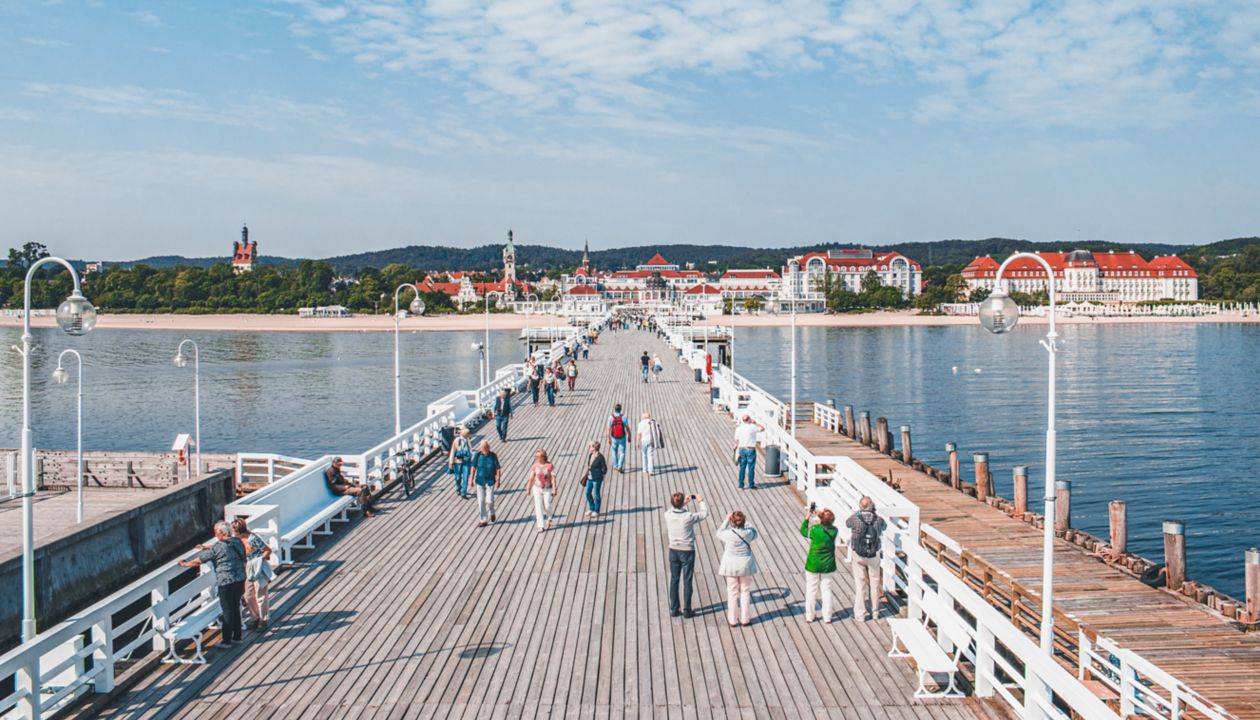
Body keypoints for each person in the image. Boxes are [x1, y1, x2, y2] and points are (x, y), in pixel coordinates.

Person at [179, 520, 247, 647]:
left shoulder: (218, 546)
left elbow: (198, 561)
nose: (215, 534)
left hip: (226, 581)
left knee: (227, 610)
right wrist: (207, 547)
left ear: (221, 533)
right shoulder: (238, 541)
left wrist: (184, 564)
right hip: (239, 579)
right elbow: (228, 549)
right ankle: (237, 637)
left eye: (216, 532)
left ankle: (226, 641)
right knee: (235, 607)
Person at [665, 492, 707, 618]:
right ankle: (687, 610)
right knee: (687, 580)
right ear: (682, 502)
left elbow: (673, 508)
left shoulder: (667, 515)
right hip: (687, 551)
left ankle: (674, 609)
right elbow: (704, 514)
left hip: (673, 550)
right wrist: (700, 501)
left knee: (674, 580)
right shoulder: (688, 516)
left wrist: (682, 503)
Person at [846, 496, 888, 621]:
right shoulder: (878, 519)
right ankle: (875, 612)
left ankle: (860, 614)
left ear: (860, 506)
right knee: (875, 584)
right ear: (872, 506)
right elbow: (884, 527)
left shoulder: (855, 518)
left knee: (860, 584)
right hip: (873, 554)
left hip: (858, 554)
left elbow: (847, 523)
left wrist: (858, 512)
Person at [716, 511, 759, 626]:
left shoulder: (727, 534)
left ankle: (732, 620)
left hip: (731, 566)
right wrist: (746, 521)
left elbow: (718, 532)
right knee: (745, 592)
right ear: (743, 521)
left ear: (732, 522)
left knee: (732, 593)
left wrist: (726, 520)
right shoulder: (748, 533)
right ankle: (745, 619)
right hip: (745, 566)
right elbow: (755, 531)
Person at [800, 506, 839, 623]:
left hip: (813, 563)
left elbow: (803, 530)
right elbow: (827, 523)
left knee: (811, 590)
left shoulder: (815, 530)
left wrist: (808, 517)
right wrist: (821, 516)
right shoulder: (834, 531)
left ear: (821, 518)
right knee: (826, 590)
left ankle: (809, 616)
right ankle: (827, 617)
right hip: (828, 564)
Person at [232, 517, 273, 632]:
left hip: (257, 569)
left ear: (239, 531)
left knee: (261, 595)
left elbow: (267, 550)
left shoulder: (252, 538)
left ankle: (263, 620)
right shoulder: (236, 539)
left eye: (234, 532)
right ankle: (256, 618)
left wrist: (259, 560)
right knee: (248, 596)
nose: (233, 534)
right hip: (246, 569)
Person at [469, 440, 501, 527]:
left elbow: (498, 468)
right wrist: (470, 479)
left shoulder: (493, 456)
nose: (483, 450)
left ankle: (492, 512)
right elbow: (473, 467)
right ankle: (483, 520)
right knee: (481, 501)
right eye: (481, 448)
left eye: (484, 448)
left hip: (490, 481)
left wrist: (498, 480)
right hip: (480, 480)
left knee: (489, 501)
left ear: (488, 447)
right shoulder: (478, 455)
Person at [526, 448, 557, 532]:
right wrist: (528, 487)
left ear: (543, 457)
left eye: (538, 456)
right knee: (538, 506)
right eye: (536, 456)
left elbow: (553, 478)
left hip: (547, 488)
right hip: (537, 488)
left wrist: (554, 488)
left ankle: (549, 517)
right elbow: (531, 477)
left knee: (547, 505)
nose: (537, 458)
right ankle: (541, 525)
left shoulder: (549, 465)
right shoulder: (535, 465)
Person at [733, 415, 764, 490]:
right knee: (751, 468)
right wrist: (755, 423)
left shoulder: (739, 428)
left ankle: (741, 485)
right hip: (750, 449)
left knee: (742, 468)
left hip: (742, 449)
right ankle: (751, 484)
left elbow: (737, 440)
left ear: (743, 420)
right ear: (749, 419)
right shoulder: (752, 427)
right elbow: (763, 428)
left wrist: (736, 448)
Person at [448, 427, 474, 498]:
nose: (468, 435)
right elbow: (453, 451)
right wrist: (450, 462)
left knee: (465, 477)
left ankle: (463, 493)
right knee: (458, 477)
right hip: (457, 461)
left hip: (466, 461)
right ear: (463, 434)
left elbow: (470, 450)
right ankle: (458, 488)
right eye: (467, 434)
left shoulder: (467, 440)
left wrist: (472, 459)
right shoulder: (456, 440)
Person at [584, 440, 608, 517]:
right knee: (587, 493)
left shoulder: (600, 457)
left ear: (594, 448)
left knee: (596, 494)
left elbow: (604, 469)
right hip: (589, 477)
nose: (589, 447)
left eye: (590, 446)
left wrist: (601, 474)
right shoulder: (590, 455)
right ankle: (591, 508)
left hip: (597, 478)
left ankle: (596, 510)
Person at [607, 404, 630, 473]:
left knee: (614, 451)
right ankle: (620, 466)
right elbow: (627, 428)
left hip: (614, 437)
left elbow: (608, 429)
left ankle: (615, 465)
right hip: (622, 437)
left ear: (615, 409)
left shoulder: (611, 417)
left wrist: (608, 438)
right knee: (622, 452)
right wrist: (629, 436)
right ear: (620, 409)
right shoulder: (624, 417)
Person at [637, 411, 662, 476]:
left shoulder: (640, 423)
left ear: (643, 417)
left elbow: (639, 434)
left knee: (644, 455)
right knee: (650, 456)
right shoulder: (652, 423)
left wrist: (637, 442)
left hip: (643, 441)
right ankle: (651, 471)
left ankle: (645, 469)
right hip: (651, 440)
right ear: (648, 417)